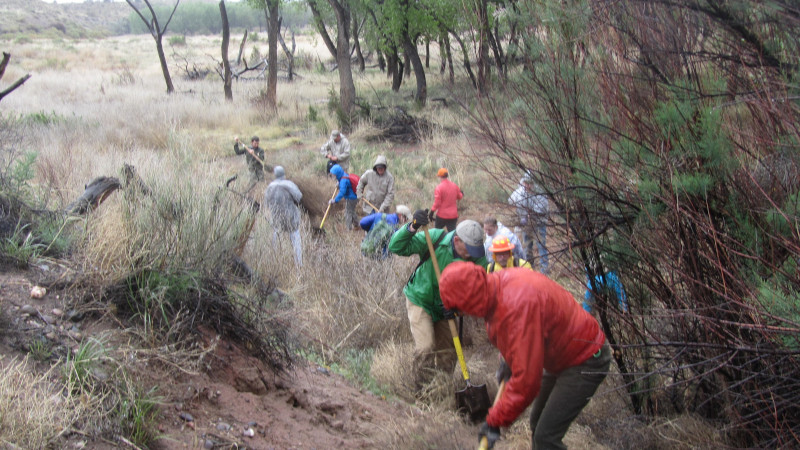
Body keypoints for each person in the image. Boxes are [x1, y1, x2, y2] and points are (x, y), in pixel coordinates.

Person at [439, 262, 611, 450]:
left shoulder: (517, 307)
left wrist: (494, 421)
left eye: (459, 309)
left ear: (470, 299)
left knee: (545, 438)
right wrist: (508, 363)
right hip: (558, 356)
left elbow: (527, 382)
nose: (462, 314)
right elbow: (512, 338)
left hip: (585, 359)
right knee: (537, 423)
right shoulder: (495, 287)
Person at [388, 212, 488, 388]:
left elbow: (481, 293)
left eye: (475, 251)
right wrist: (412, 226)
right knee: (426, 348)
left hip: (448, 307)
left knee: (449, 353)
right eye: (469, 250)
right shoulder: (434, 238)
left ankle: (440, 388)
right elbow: (396, 247)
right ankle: (419, 389)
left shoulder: (479, 259)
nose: (472, 255)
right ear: (457, 241)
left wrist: (459, 309)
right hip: (421, 298)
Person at [508, 176, 549, 274]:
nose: (527, 185)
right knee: (527, 245)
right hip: (526, 224)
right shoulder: (520, 192)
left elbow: (540, 209)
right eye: (525, 183)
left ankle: (545, 269)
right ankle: (529, 265)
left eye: (529, 183)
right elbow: (510, 200)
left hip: (539, 223)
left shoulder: (540, 193)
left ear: (533, 183)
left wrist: (528, 215)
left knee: (541, 245)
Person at [264, 166, 303, 266]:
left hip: (276, 217)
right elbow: (299, 197)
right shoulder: (289, 184)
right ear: (283, 174)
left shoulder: (270, 187)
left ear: (275, 175)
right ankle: (299, 263)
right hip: (291, 217)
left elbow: (266, 203)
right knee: (295, 240)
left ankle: (274, 261)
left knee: (275, 239)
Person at [328, 164, 359, 230]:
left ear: (337, 174)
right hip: (354, 197)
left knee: (348, 212)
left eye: (333, 174)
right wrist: (338, 183)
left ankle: (349, 229)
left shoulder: (343, 180)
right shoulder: (343, 175)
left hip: (351, 198)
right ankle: (357, 224)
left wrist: (335, 200)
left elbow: (342, 192)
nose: (332, 176)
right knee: (351, 211)